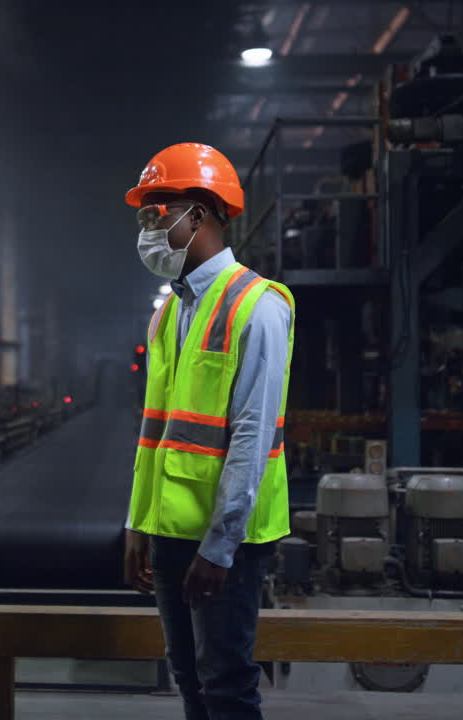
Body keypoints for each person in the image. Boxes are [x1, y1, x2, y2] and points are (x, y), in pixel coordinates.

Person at [122, 143, 295, 720]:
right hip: (171, 532)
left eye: (156, 213)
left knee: (227, 683)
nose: (148, 228)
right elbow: (157, 432)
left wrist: (220, 548)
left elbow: (251, 437)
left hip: (230, 542)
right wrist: (138, 524)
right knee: (191, 680)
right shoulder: (170, 312)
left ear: (196, 215)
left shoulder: (258, 306)